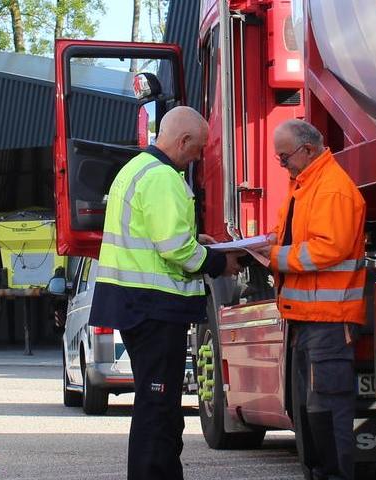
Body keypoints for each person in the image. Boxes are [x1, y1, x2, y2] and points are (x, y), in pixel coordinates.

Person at [89, 106, 242, 480]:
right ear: (184, 140)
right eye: (198, 148)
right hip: (154, 307)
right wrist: (220, 263)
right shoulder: (163, 178)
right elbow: (174, 248)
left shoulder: (135, 169)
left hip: (135, 303)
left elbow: (155, 235)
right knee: (158, 408)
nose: (199, 156)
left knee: (156, 404)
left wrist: (194, 240)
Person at [268, 119, 366, 480]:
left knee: (327, 410)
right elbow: (297, 238)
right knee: (313, 412)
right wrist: (268, 245)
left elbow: (329, 248)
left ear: (307, 150)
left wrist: (276, 256)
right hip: (309, 319)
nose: (283, 165)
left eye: (284, 157)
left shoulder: (331, 189)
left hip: (328, 319)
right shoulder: (306, 186)